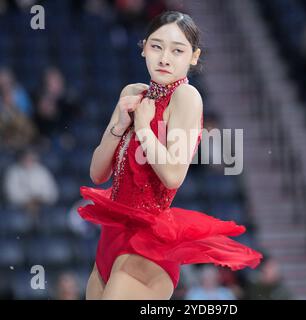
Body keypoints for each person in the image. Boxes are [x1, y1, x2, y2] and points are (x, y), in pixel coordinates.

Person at [77, 10, 263, 300]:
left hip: (148, 245)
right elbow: (97, 173)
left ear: (193, 56)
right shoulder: (132, 93)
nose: (164, 58)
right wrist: (120, 125)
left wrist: (142, 128)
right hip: (112, 236)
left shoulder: (187, 98)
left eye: (177, 50)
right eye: (156, 46)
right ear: (143, 48)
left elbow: (174, 175)